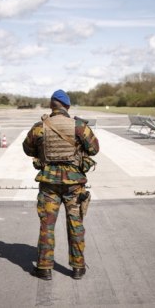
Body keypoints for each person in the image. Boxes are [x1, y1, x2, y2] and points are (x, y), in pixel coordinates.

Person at [23, 89, 99, 280]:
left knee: (47, 226)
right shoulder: (79, 126)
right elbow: (94, 149)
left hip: (49, 185)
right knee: (76, 225)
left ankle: (44, 268)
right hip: (74, 185)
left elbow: (27, 148)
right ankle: (78, 268)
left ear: (51, 105)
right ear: (68, 106)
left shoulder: (40, 126)